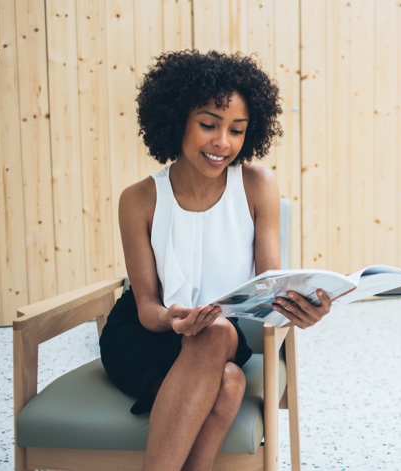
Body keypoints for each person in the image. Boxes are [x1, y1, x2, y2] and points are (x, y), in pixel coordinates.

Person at [99, 50, 331, 470]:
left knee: (216, 334)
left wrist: (302, 308)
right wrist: (173, 319)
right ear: (176, 121)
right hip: (144, 337)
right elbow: (147, 306)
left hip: (219, 337)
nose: (223, 142)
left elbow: (270, 287)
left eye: (237, 130)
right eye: (208, 124)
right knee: (230, 382)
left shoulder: (258, 185)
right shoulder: (138, 200)